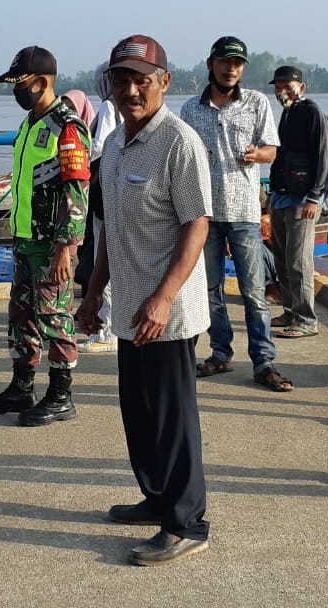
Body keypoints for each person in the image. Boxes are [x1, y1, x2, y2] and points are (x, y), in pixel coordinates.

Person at [75, 34, 212, 567]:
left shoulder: (179, 141)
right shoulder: (111, 147)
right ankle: (156, 499)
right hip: (129, 307)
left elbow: (197, 225)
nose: (131, 90)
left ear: (164, 83)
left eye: (142, 80)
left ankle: (187, 522)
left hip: (168, 312)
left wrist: (162, 297)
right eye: (121, 79)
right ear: (108, 84)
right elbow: (108, 228)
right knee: (140, 412)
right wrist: (93, 295)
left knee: (173, 418)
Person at [0, 46, 91, 427]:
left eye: (19, 84)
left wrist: (66, 248)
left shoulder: (67, 127)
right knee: (21, 315)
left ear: (42, 83)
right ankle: (21, 385)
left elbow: (77, 193)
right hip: (25, 239)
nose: (15, 91)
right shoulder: (30, 124)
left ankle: (61, 395)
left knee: (55, 317)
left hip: (52, 245)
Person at [179, 35, 289, 392]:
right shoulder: (191, 109)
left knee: (254, 291)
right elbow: (182, 158)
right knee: (210, 290)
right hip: (205, 213)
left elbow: (272, 150)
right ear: (210, 64)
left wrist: (258, 155)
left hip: (243, 211)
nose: (231, 69)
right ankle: (220, 353)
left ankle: (263, 361)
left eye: (238, 63)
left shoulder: (256, 103)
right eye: (225, 62)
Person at [266, 66, 328, 339]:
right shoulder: (286, 113)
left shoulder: (312, 113)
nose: (282, 91)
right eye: (278, 86)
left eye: (287, 86)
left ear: (301, 87)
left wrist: (316, 196)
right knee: (281, 259)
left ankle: (306, 318)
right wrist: (270, 194)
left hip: (303, 199)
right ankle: (291, 310)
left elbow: (323, 156)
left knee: (299, 261)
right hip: (281, 196)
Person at [77, 60, 119, 354]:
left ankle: (106, 331)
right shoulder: (122, 110)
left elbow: (99, 147)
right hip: (114, 191)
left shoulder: (107, 107)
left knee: (102, 260)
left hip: (102, 192)